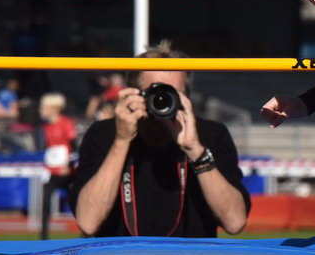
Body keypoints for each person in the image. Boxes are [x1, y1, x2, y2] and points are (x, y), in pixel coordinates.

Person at [69, 41, 250, 237]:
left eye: (174, 94)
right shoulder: (104, 134)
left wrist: (196, 151)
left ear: (187, 96)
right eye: (156, 93)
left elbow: (235, 222)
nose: (164, 101)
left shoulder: (210, 134)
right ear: (134, 94)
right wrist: (121, 141)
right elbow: (87, 222)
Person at [39, 92, 77, 240]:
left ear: (54, 108)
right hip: (51, 171)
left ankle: (85, 232)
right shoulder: (45, 127)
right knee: (45, 202)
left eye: (44, 107)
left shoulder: (66, 124)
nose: (42, 110)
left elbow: (74, 147)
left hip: (66, 172)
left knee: (75, 201)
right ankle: (43, 238)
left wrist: (68, 166)